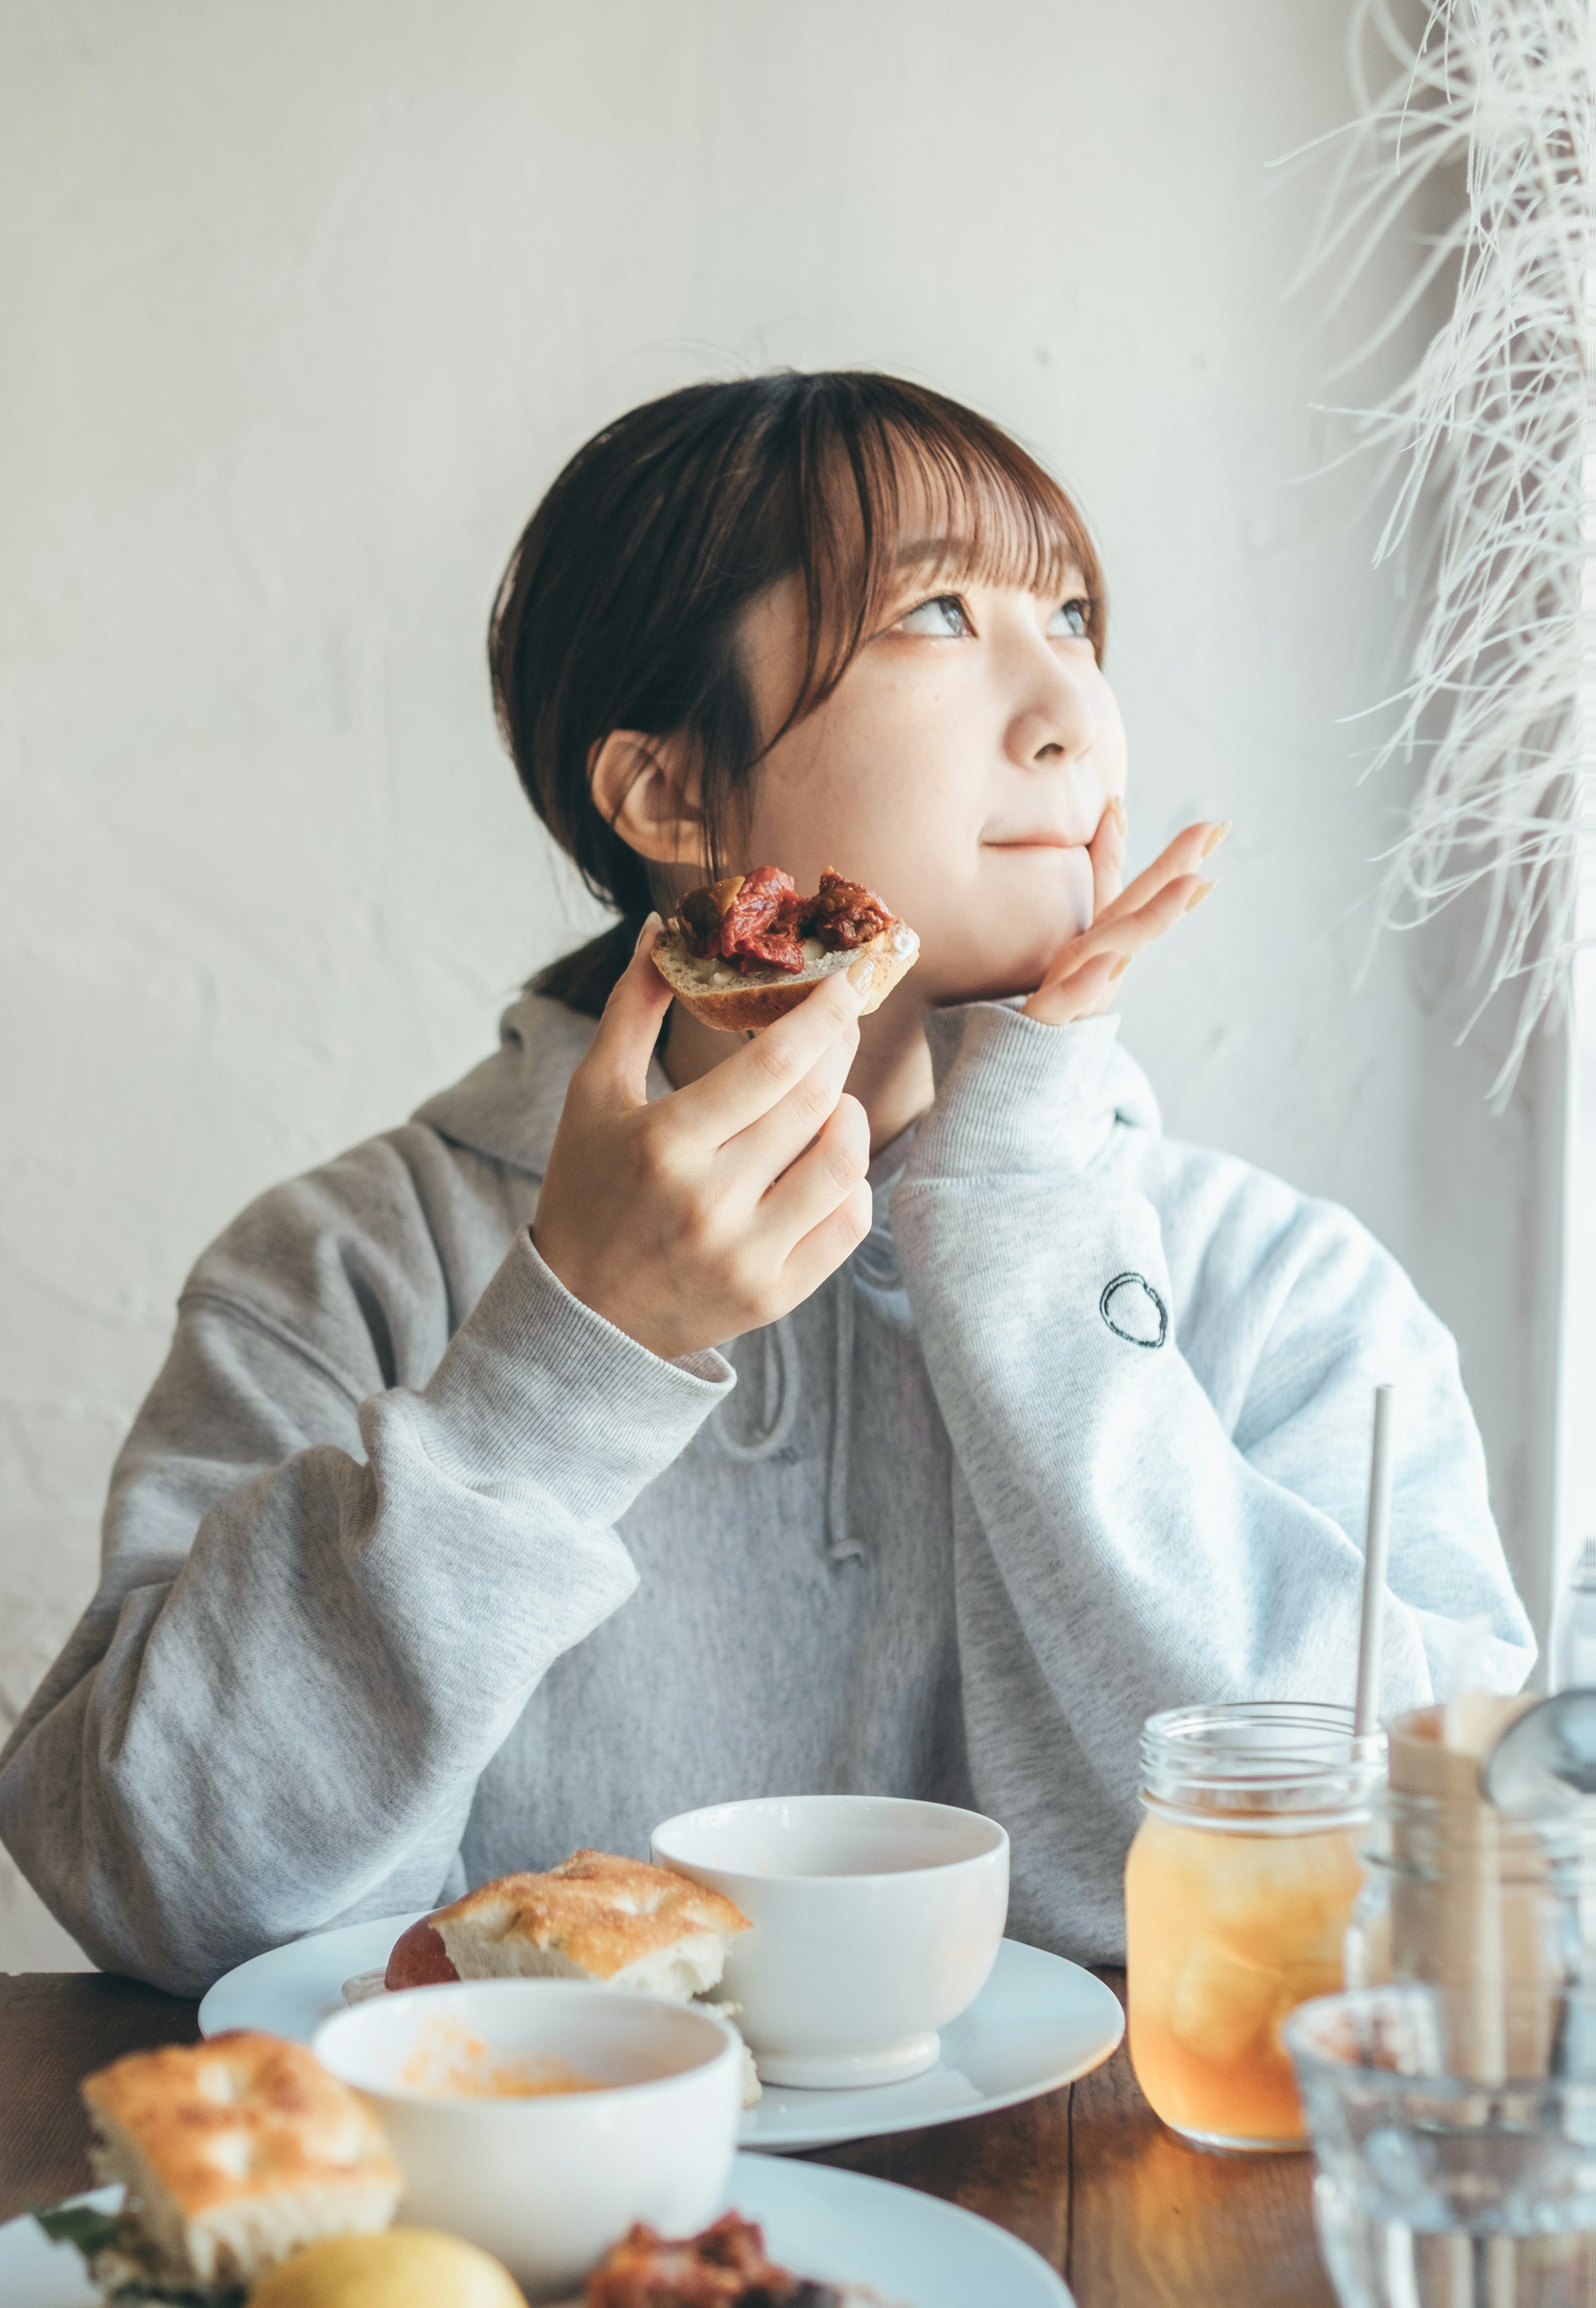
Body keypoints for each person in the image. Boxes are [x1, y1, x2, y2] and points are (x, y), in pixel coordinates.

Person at [0, 372, 1532, 1996]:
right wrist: (567, 1353)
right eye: (940, 610)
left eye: (1073, 610)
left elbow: (1408, 1899)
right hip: (526, 2225)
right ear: (668, 792)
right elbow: (168, 1892)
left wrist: (1021, 1209)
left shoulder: (1282, 1291)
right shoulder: (348, 1270)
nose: (1070, 709)